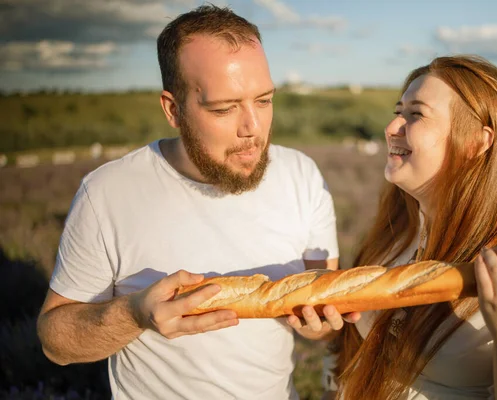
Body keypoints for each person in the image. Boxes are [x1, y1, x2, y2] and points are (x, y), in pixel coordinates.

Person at [36, 5, 342, 400]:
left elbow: (327, 313)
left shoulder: (302, 175)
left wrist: (321, 325)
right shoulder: (108, 193)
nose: (252, 128)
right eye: (224, 108)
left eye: (264, 101)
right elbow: (54, 343)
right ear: (173, 109)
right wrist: (134, 314)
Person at [294, 55, 497, 399]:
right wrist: (325, 330)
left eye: (416, 114)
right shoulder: (393, 238)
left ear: (478, 142)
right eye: (398, 111)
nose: (392, 127)